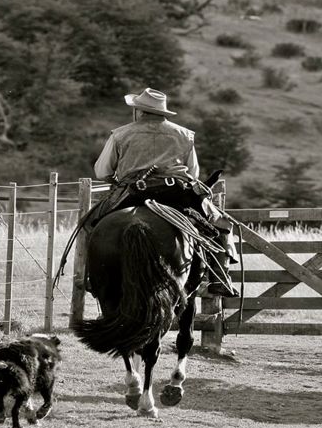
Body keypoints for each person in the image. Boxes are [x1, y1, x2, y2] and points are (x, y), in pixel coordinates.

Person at [93, 87, 239, 297]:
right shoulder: (184, 134)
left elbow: (102, 171)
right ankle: (220, 277)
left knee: (93, 223)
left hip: (133, 192)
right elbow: (193, 172)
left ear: (139, 111)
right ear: (162, 113)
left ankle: (95, 275)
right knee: (221, 223)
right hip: (177, 193)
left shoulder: (120, 134)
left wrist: (117, 179)